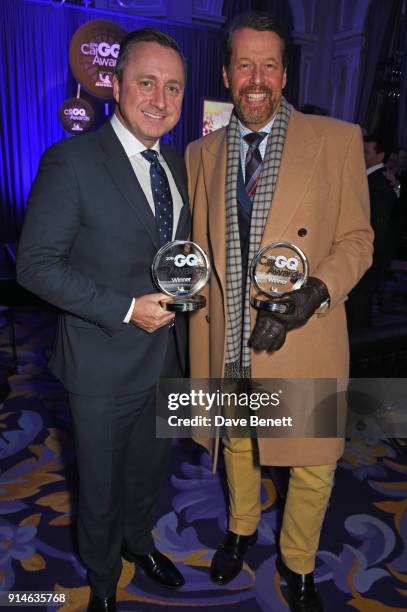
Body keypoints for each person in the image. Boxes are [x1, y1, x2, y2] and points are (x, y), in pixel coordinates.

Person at [185, 12, 373, 612]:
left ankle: (297, 566)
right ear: (226, 72)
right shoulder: (200, 152)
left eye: (268, 65)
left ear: (285, 73)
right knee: (237, 441)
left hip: (306, 333)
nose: (256, 78)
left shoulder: (338, 139)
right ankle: (241, 526)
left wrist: (314, 293)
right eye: (245, 64)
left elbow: (358, 240)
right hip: (228, 335)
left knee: (314, 464)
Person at [17, 28, 190, 612]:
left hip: (165, 357)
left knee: (148, 471)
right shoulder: (72, 160)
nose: (160, 100)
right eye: (146, 82)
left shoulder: (177, 165)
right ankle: (101, 578)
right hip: (99, 361)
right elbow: (36, 267)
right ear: (116, 84)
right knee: (98, 487)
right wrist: (125, 309)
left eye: (173, 88)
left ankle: (140, 544)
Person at [347, 135, 397, 328]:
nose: (361, 156)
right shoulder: (369, 179)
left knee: (359, 303)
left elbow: (378, 225)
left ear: (380, 155)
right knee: (358, 301)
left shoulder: (378, 183)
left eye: (366, 152)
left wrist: (366, 254)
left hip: (367, 252)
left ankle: (359, 350)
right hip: (365, 251)